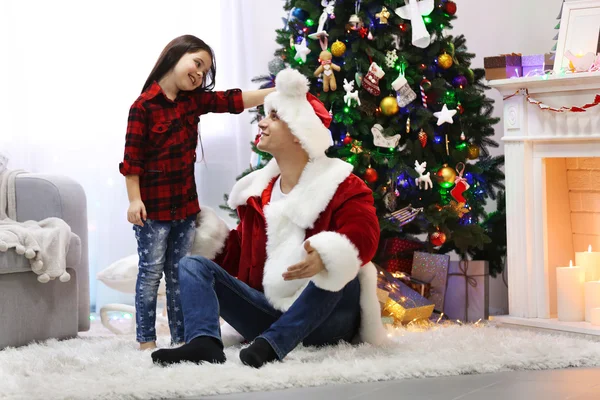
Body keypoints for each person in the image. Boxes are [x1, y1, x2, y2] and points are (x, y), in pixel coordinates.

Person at [151, 68, 386, 368]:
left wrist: (326, 258)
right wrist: (202, 232)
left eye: (274, 116)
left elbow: (364, 236)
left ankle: (273, 345)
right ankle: (204, 343)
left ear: (300, 132)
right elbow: (239, 259)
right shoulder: (257, 194)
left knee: (341, 268)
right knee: (193, 265)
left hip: (325, 320)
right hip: (267, 313)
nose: (262, 122)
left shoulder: (342, 185)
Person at [119, 34, 274, 350]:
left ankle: (181, 339)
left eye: (205, 72)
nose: (200, 74)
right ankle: (146, 340)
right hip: (153, 213)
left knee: (179, 277)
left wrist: (276, 92)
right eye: (197, 64)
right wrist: (134, 199)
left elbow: (231, 100)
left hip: (185, 210)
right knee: (150, 276)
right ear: (175, 56)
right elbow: (131, 160)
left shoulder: (193, 102)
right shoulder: (143, 107)